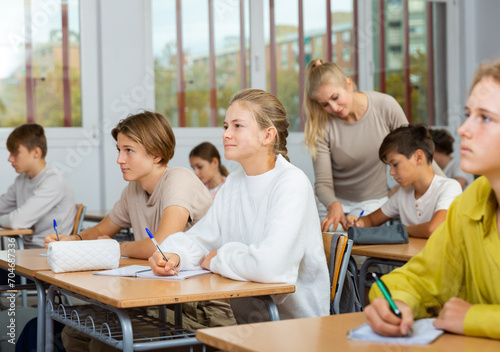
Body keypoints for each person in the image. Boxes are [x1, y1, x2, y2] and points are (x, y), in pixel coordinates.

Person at [149, 88, 330, 321]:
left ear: (268, 136)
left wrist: (217, 258)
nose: (226, 134)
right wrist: (174, 254)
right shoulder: (235, 181)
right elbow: (203, 237)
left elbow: (271, 268)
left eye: (237, 126)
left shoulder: (291, 183)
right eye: (226, 126)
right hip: (248, 322)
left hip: (294, 327)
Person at [364, 59, 500, 339]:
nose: (463, 129)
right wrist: (395, 301)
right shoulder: (470, 203)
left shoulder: (454, 193)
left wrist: (474, 318)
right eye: (468, 114)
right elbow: (421, 278)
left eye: (485, 117)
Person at [45, 111, 213, 260]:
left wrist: (117, 247)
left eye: (129, 151)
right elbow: (101, 230)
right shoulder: (133, 189)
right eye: (119, 150)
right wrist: (73, 240)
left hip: (204, 284)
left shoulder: (179, 180)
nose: (119, 160)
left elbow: (162, 245)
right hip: (164, 280)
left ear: (156, 154)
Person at [304, 58, 410, 232]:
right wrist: (333, 203)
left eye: (335, 97)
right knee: (332, 251)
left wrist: (444, 186)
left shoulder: (385, 106)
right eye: (325, 104)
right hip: (334, 203)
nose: (334, 107)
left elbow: (416, 151)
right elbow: (323, 183)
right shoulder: (321, 124)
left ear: (349, 84)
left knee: (360, 251)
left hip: (372, 202)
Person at [346, 124, 462, 239]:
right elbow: (371, 220)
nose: (391, 172)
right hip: (408, 257)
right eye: (390, 166)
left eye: (395, 164)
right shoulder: (403, 194)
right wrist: (360, 223)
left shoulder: (449, 187)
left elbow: (433, 229)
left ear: (418, 157)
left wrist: (401, 230)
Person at [0, 123, 76, 248]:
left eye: (15, 153)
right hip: (25, 250)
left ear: (36, 152)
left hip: (46, 253)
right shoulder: (21, 180)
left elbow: (16, 221)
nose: (10, 159)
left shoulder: (53, 181)